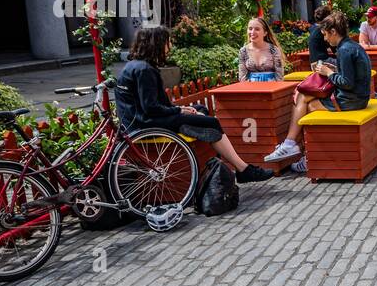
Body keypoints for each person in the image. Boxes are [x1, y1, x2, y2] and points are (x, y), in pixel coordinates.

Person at [116, 26, 272, 183]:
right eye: (167, 42)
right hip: (145, 125)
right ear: (157, 44)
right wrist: (178, 110)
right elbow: (151, 108)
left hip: (139, 121)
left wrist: (180, 110)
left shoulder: (134, 66)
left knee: (201, 110)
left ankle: (202, 142)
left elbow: (151, 105)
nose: (169, 47)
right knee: (211, 122)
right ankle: (243, 169)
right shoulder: (145, 70)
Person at [265, 11, 371, 171]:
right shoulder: (352, 46)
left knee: (307, 107)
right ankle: (294, 146)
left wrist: (328, 73)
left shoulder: (344, 50)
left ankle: (305, 154)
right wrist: (332, 69)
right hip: (357, 98)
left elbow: (347, 83)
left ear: (333, 32)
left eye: (325, 35)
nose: (325, 39)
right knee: (303, 96)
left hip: (351, 101)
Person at [239, 16, 285, 82]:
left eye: (257, 29)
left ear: (265, 33)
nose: (252, 32)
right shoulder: (243, 51)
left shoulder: (274, 50)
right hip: (251, 89)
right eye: (250, 29)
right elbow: (242, 77)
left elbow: (279, 76)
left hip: (272, 88)